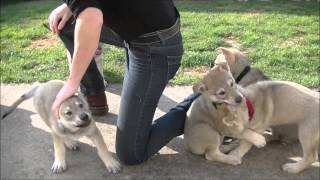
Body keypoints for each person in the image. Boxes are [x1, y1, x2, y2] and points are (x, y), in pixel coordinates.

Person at [48, 0, 200, 165]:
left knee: (131, 152)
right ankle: (95, 95)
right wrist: (72, 6)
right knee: (65, 23)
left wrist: (72, 83)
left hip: (155, 47)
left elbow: (91, 19)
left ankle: (199, 101)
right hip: (140, 30)